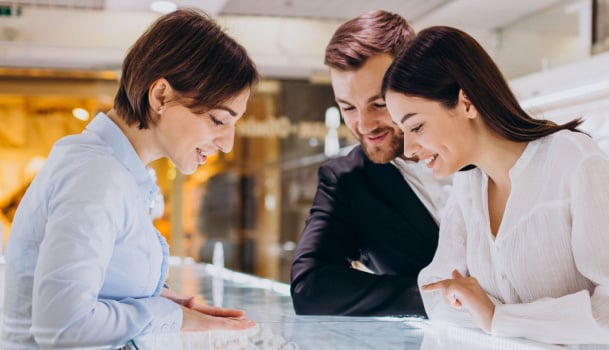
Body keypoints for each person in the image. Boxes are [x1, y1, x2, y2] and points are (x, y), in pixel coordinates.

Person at [382, 26, 609, 348]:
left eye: (417, 126)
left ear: (466, 102)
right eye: (403, 131)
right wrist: (490, 316)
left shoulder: (573, 161)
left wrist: (498, 317)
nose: (409, 149)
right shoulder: (468, 185)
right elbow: (435, 293)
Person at [2, 8, 260, 349]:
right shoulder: (97, 177)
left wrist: (164, 301)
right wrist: (171, 316)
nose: (227, 143)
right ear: (161, 96)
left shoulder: (113, 171)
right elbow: (63, 327)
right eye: (218, 120)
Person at [290, 11, 451, 316]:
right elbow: (310, 287)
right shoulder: (347, 181)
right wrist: (438, 298)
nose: (364, 125)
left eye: (378, 103)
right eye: (348, 108)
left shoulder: (478, 150)